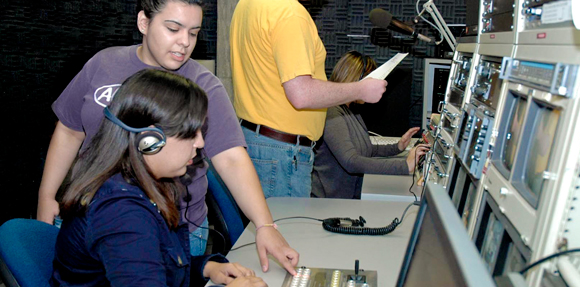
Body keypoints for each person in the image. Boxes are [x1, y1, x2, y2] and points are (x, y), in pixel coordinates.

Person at [37, 0, 298, 275]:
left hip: (171, 228)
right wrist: (46, 195)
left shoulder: (205, 85)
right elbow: (69, 130)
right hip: (92, 215)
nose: (184, 42)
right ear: (144, 23)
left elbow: (231, 158)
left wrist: (265, 225)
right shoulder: (103, 64)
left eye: (193, 32)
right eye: (173, 28)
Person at [52, 69, 266, 287]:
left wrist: (207, 268)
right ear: (150, 140)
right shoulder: (120, 211)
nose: (200, 143)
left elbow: (155, 266)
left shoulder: (146, 184)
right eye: (191, 133)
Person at [230, 0, 388, 198]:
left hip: (255, 141)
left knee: (267, 225)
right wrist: (360, 90)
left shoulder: (247, 5)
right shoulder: (290, 13)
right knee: (286, 227)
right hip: (282, 153)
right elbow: (301, 94)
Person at [311, 51, 430, 199]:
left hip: (347, 198)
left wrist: (397, 147)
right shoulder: (332, 112)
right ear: (357, 79)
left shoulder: (351, 109)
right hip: (331, 202)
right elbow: (351, 161)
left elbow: (364, 148)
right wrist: (405, 166)